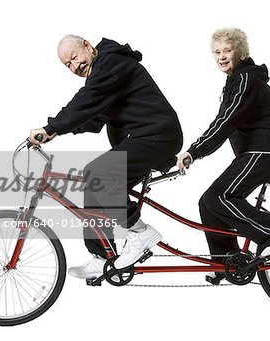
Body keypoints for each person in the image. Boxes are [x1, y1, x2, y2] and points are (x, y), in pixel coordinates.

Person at [30, 35, 183, 278]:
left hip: (157, 135)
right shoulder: (104, 75)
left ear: (88, 47)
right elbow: (93, 117)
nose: (74, 67)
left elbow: (87, 100)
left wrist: (52, 126)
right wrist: (54, 134)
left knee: (97, 173)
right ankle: (102, 255)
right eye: (67, 65)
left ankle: (140, 232)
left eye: (74, 58)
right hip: (144, 137)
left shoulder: (112, 63)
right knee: (93, 185)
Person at [177, 28, 270, 276]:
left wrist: (194, 152)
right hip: (254, 153)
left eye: (227, 50)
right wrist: (196, 151)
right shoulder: (237, 80)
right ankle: (227, 261)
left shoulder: (245, 80)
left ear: (241, 51)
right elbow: (223, 120)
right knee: (209, 203)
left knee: (218, 197)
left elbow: (225, 122)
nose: (221, 56)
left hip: (264, 152)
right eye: (216, 52)